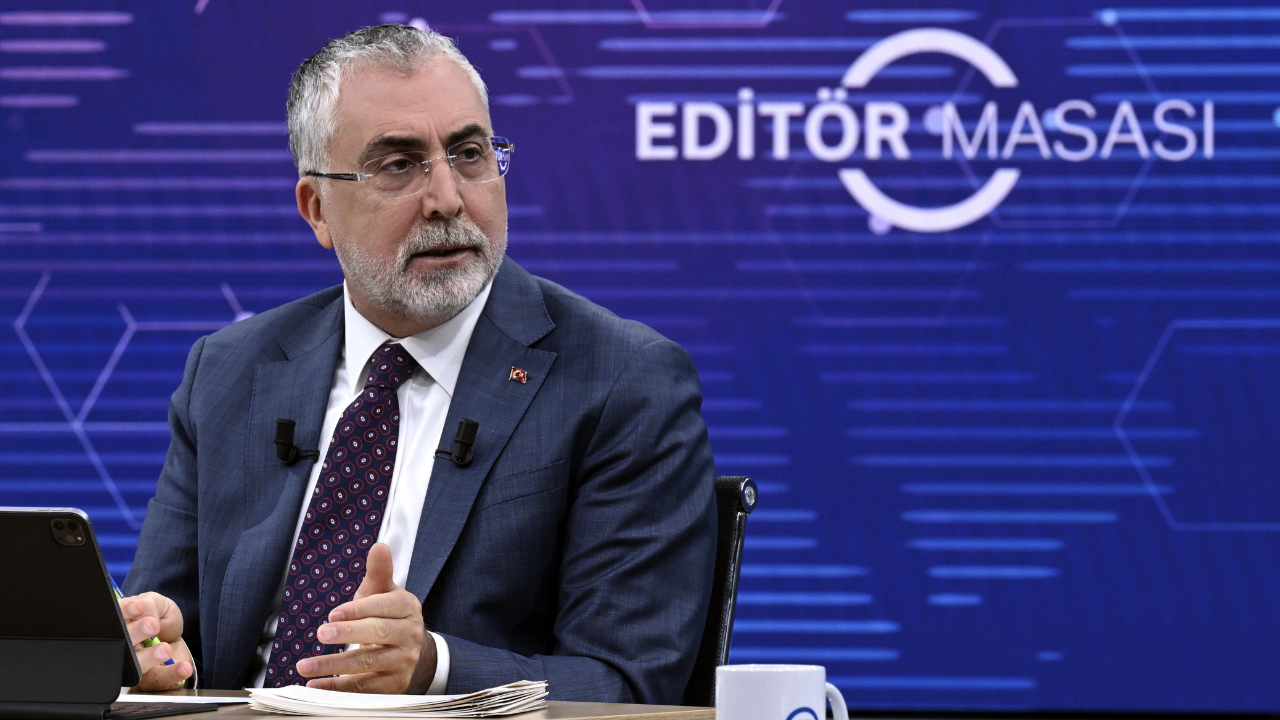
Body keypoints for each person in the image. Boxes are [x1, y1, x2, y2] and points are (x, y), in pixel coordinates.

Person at [120, 23, 716, 703]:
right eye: (399, 165)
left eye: (469, 154)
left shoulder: (621, 382)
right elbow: (168, 637)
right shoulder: (230, 372)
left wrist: (433, 668)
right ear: (317, 209)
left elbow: (630, 685)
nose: (448, 199)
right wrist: (153, 653)